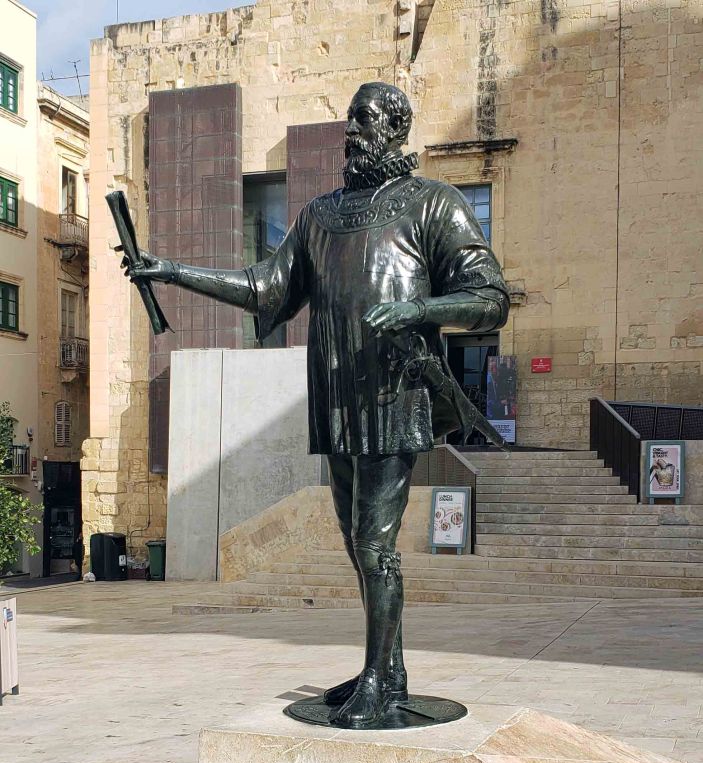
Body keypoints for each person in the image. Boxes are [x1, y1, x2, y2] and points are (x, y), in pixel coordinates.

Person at [125, 82, 510, 727]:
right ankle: (383, 670)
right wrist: (172, 271)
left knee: (375, 544)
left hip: (395, 395)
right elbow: (261, 287)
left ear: (394, 130)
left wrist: (419, 309)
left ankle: (383, 686)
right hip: (336, 401)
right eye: (348, 121)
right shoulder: (320, 216)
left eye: (364, 121)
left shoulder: (432, 206)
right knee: (358, 547)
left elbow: (489, 297)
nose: (351, 133)